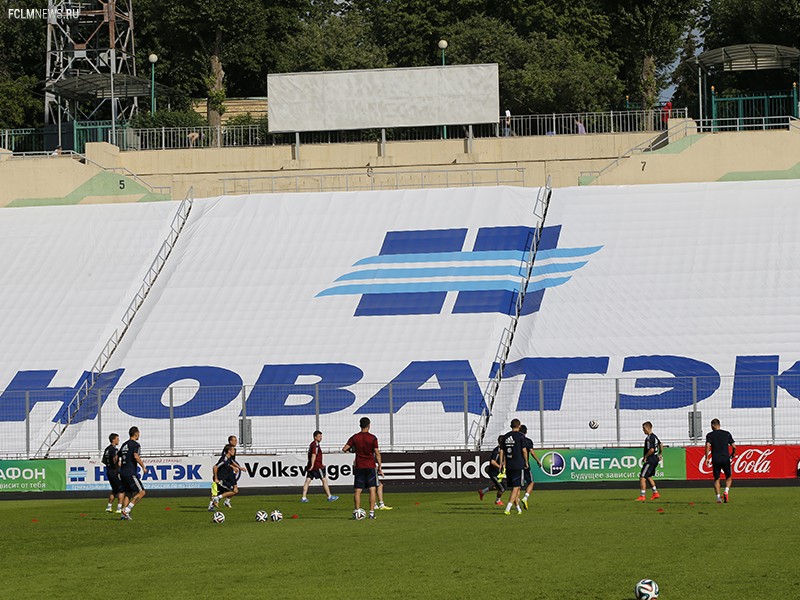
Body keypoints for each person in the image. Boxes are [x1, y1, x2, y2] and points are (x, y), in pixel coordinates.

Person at [342, 417, 382, 520]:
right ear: (369, 425)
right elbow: (377, 452)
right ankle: (372, 513)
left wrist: (353, 449)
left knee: (357, 490)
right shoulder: (373, 438)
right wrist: (380, 466)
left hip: (359, 466)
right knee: (372, 489)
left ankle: (357, 511)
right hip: (370, 466)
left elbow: (344, 449)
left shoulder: (355, 437)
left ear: (360, 425)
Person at [301, 430, 339, 503]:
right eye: (319, 436)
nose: (321, 438)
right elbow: (313, 455)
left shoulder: (312, 444)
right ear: (315, 437)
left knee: (307, 481)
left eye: (321, 436)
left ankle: (303, 497)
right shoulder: (315, 445)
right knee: (324, 480)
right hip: (316, 466)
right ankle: (329, 496)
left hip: (313, 465)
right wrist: (313, 465)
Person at [499, 419, 528, 515]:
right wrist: (526, 462)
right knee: (516, 487)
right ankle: (508, 508)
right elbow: (524, 450)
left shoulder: (506, 436)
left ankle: (518, 508)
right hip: (518, 464)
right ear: (519, 426)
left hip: (509, 465)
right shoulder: (521, 436)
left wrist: (501, 462)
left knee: (514, 488)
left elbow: (502, 450)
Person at [705, 418, 736, 503]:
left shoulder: (710, 435)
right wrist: (733, 453)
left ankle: (718, 498)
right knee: (729, 477)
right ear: (719, 425)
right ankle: (726, 491)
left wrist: (707, 458)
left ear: (712, 425)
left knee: (717, 478)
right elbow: (734, 446)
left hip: (716, 458)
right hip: (725, 458)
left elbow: (708, 446)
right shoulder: (727, 434)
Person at [118, 426, 146, 520]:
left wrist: (118, 467)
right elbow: (136, 456)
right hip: (130, 472)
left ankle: (123, 515)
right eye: (138, 433)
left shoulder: (124, 444)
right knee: (141, 492)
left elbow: (117, 457)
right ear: (136, 433)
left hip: (123, 472)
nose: (139, 435)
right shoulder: (135, 445)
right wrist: (143, 467)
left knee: (128, 493)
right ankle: (127, 510)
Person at [210, 435, 241, 508]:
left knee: (233, 490)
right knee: (232, 491)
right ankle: (216, 501)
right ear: (229, 451)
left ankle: (219, 501)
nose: (236, 442)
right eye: (235, 440)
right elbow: (215, 467)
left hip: (227, 475)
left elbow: (231, 461)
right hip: (221, 478)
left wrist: (238, 467)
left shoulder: (229, 457)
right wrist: (216, 478)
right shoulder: (224, 458)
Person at [637, 421, 662, 501]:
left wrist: (645, 457)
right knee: (648, 476)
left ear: (648, 428)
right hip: (655, 459)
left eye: (644, 428)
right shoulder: (655, 437)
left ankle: (642, 496)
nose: (643, 430)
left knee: (642, 476)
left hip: (650, 459)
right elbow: (661, 445)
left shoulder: (649, 438)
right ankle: (655, 493)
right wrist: (660, 453)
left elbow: (651, 449)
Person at [478, 435, 506, 505]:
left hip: (498, 472)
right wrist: (499, 466)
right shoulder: (497, 450)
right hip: (493, 473)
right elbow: (492, 461)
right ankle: (497, 501)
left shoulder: (503, 449)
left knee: (498, 486)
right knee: (502, 488)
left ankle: (483, 491)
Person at [519, 425, 542, 510]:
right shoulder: (528, 441)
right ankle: (525, 498)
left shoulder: (515, 440)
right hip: (525, 465)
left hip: (515, 465)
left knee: (517, 486)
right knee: (531, 482)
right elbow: (531, 452)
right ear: (526, 432)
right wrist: (538, 461)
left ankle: (517, 504)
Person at [101, 433, 124, 513]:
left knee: (114, 490)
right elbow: (115, 459)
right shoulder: (114, 449)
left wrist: (109, 465)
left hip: (108, 471)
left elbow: (103, 461)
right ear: (113, 440)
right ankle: (119, 508)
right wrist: (118, 465)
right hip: (114, 471)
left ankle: (109, 507)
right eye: (117, 439)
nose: (119, 440)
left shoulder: (107, 449)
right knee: (122, 490)